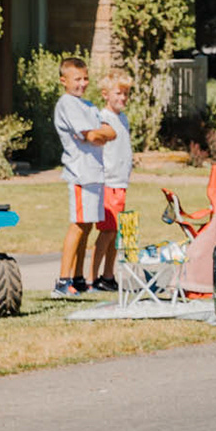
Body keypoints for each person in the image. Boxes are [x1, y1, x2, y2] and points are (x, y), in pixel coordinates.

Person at [53, 57, 117, 297]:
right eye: (77, 79)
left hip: (95, 173)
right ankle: (63, 280)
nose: (82, 83)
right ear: (64, 80)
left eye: (85, 78)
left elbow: (110, 131)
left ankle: (79, 277)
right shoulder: (67, 103)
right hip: (80, 172)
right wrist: (98, 134)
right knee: (78, 224)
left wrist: (100, 134)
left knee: (87, 226)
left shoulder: (88, 105)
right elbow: (91, 136)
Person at [90, 71, 135, 291]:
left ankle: (108, 274)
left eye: (126, 94)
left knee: (116, 232)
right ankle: (92, 276)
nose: (123, 98)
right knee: (106, 230)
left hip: (121, 182)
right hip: (108, 182)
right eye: (118, 93)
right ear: (106, 94)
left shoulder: (122, 118)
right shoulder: (103, 118)